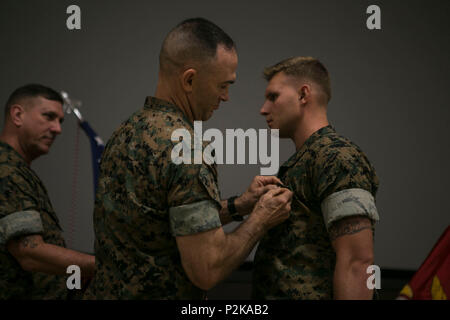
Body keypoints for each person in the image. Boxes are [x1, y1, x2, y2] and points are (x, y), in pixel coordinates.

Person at [84, 18, 292, 300]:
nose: (226, 97)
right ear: (190, 79)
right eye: (223, 85)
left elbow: (161, 221)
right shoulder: (187, 149)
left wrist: (239, 206)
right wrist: (260, 219)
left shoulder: (126, 132)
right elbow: (206, 269)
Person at [253, 57, 380, 300]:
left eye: (273, 97)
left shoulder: (337, 157)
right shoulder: (307, 159)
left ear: (303, 95)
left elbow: (357, 262)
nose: (263, 109)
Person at [0, 84, 95, 299]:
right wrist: (104, 266)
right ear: (17, 115)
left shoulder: (18, 169)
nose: (57, 129)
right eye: (49, 117)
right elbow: (30, 253)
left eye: (60, 121)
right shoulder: (5, 169)